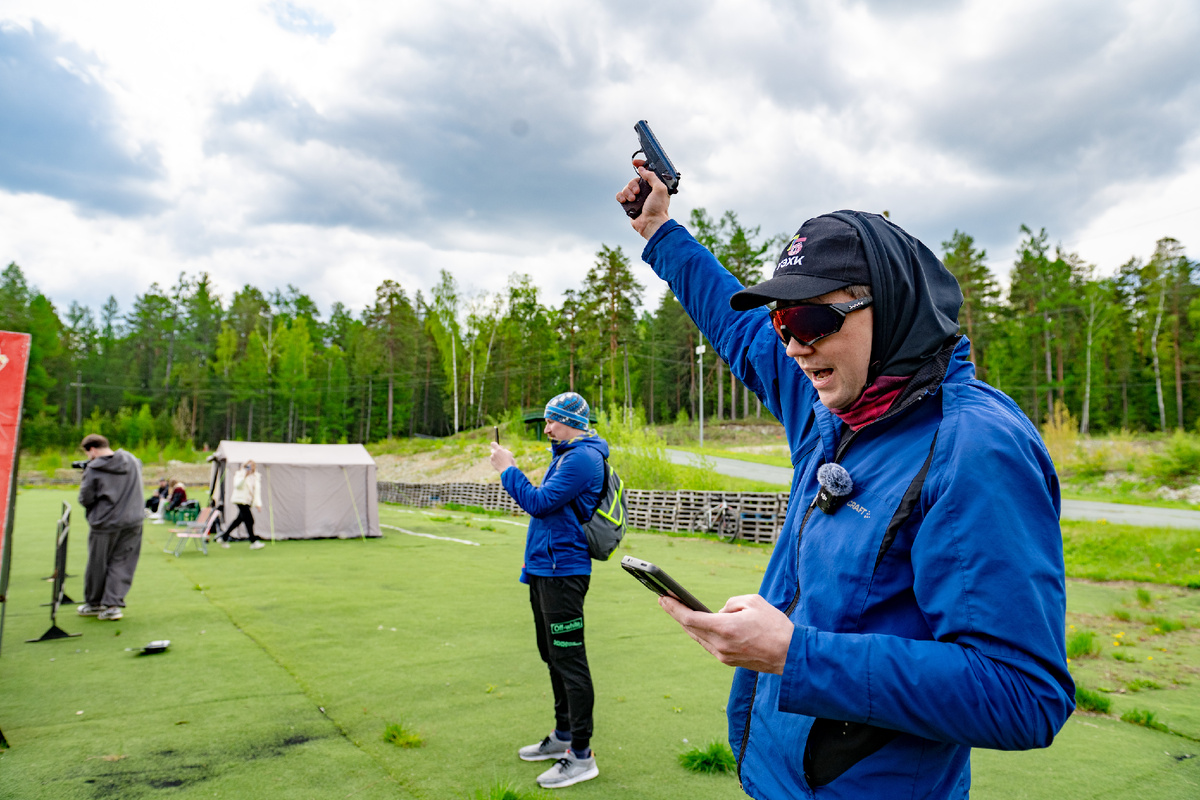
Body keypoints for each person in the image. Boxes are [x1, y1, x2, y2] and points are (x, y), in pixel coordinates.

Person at [615, 167, 1074, 799]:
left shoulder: (975, 447)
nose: (795, 348)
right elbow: (735, 325)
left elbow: (1022, 696)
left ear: (892, 309)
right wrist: (660, 232)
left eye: (810, 320)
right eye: (783, 324)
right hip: (776, 777)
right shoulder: (830, 402)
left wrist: (792, 656)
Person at [487, 392, 608, 789]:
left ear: (571, 421)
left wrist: (508, 470)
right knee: (552, 655)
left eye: (552, 421)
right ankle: (563, 736)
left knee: (570, 660)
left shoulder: (582, 458)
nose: (546, 427)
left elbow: (538, 504)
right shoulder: (565, 454)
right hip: (544, 570)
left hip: (564, 574)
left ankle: (582, 755)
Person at [76, 434, 145, 621]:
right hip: (133, 521)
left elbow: (85, 498)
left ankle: (94, 603)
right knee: (122, 562)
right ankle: (113, 605)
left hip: (105, 523)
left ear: (92, 449)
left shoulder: (93, 469)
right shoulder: (132, 461)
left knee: (98, 563)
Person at [220, 460, 265, 550]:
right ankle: (253, 541)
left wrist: (258, 504)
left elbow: (256, 492)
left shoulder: (255, 477)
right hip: (240, 500)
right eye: (248, 466)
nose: (250, 467)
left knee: (238, 521)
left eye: (252, 466)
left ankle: (224, 537)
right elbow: (237, 485)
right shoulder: (239, 474)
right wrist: (245, 476)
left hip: (248, 501)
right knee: (250, 521)